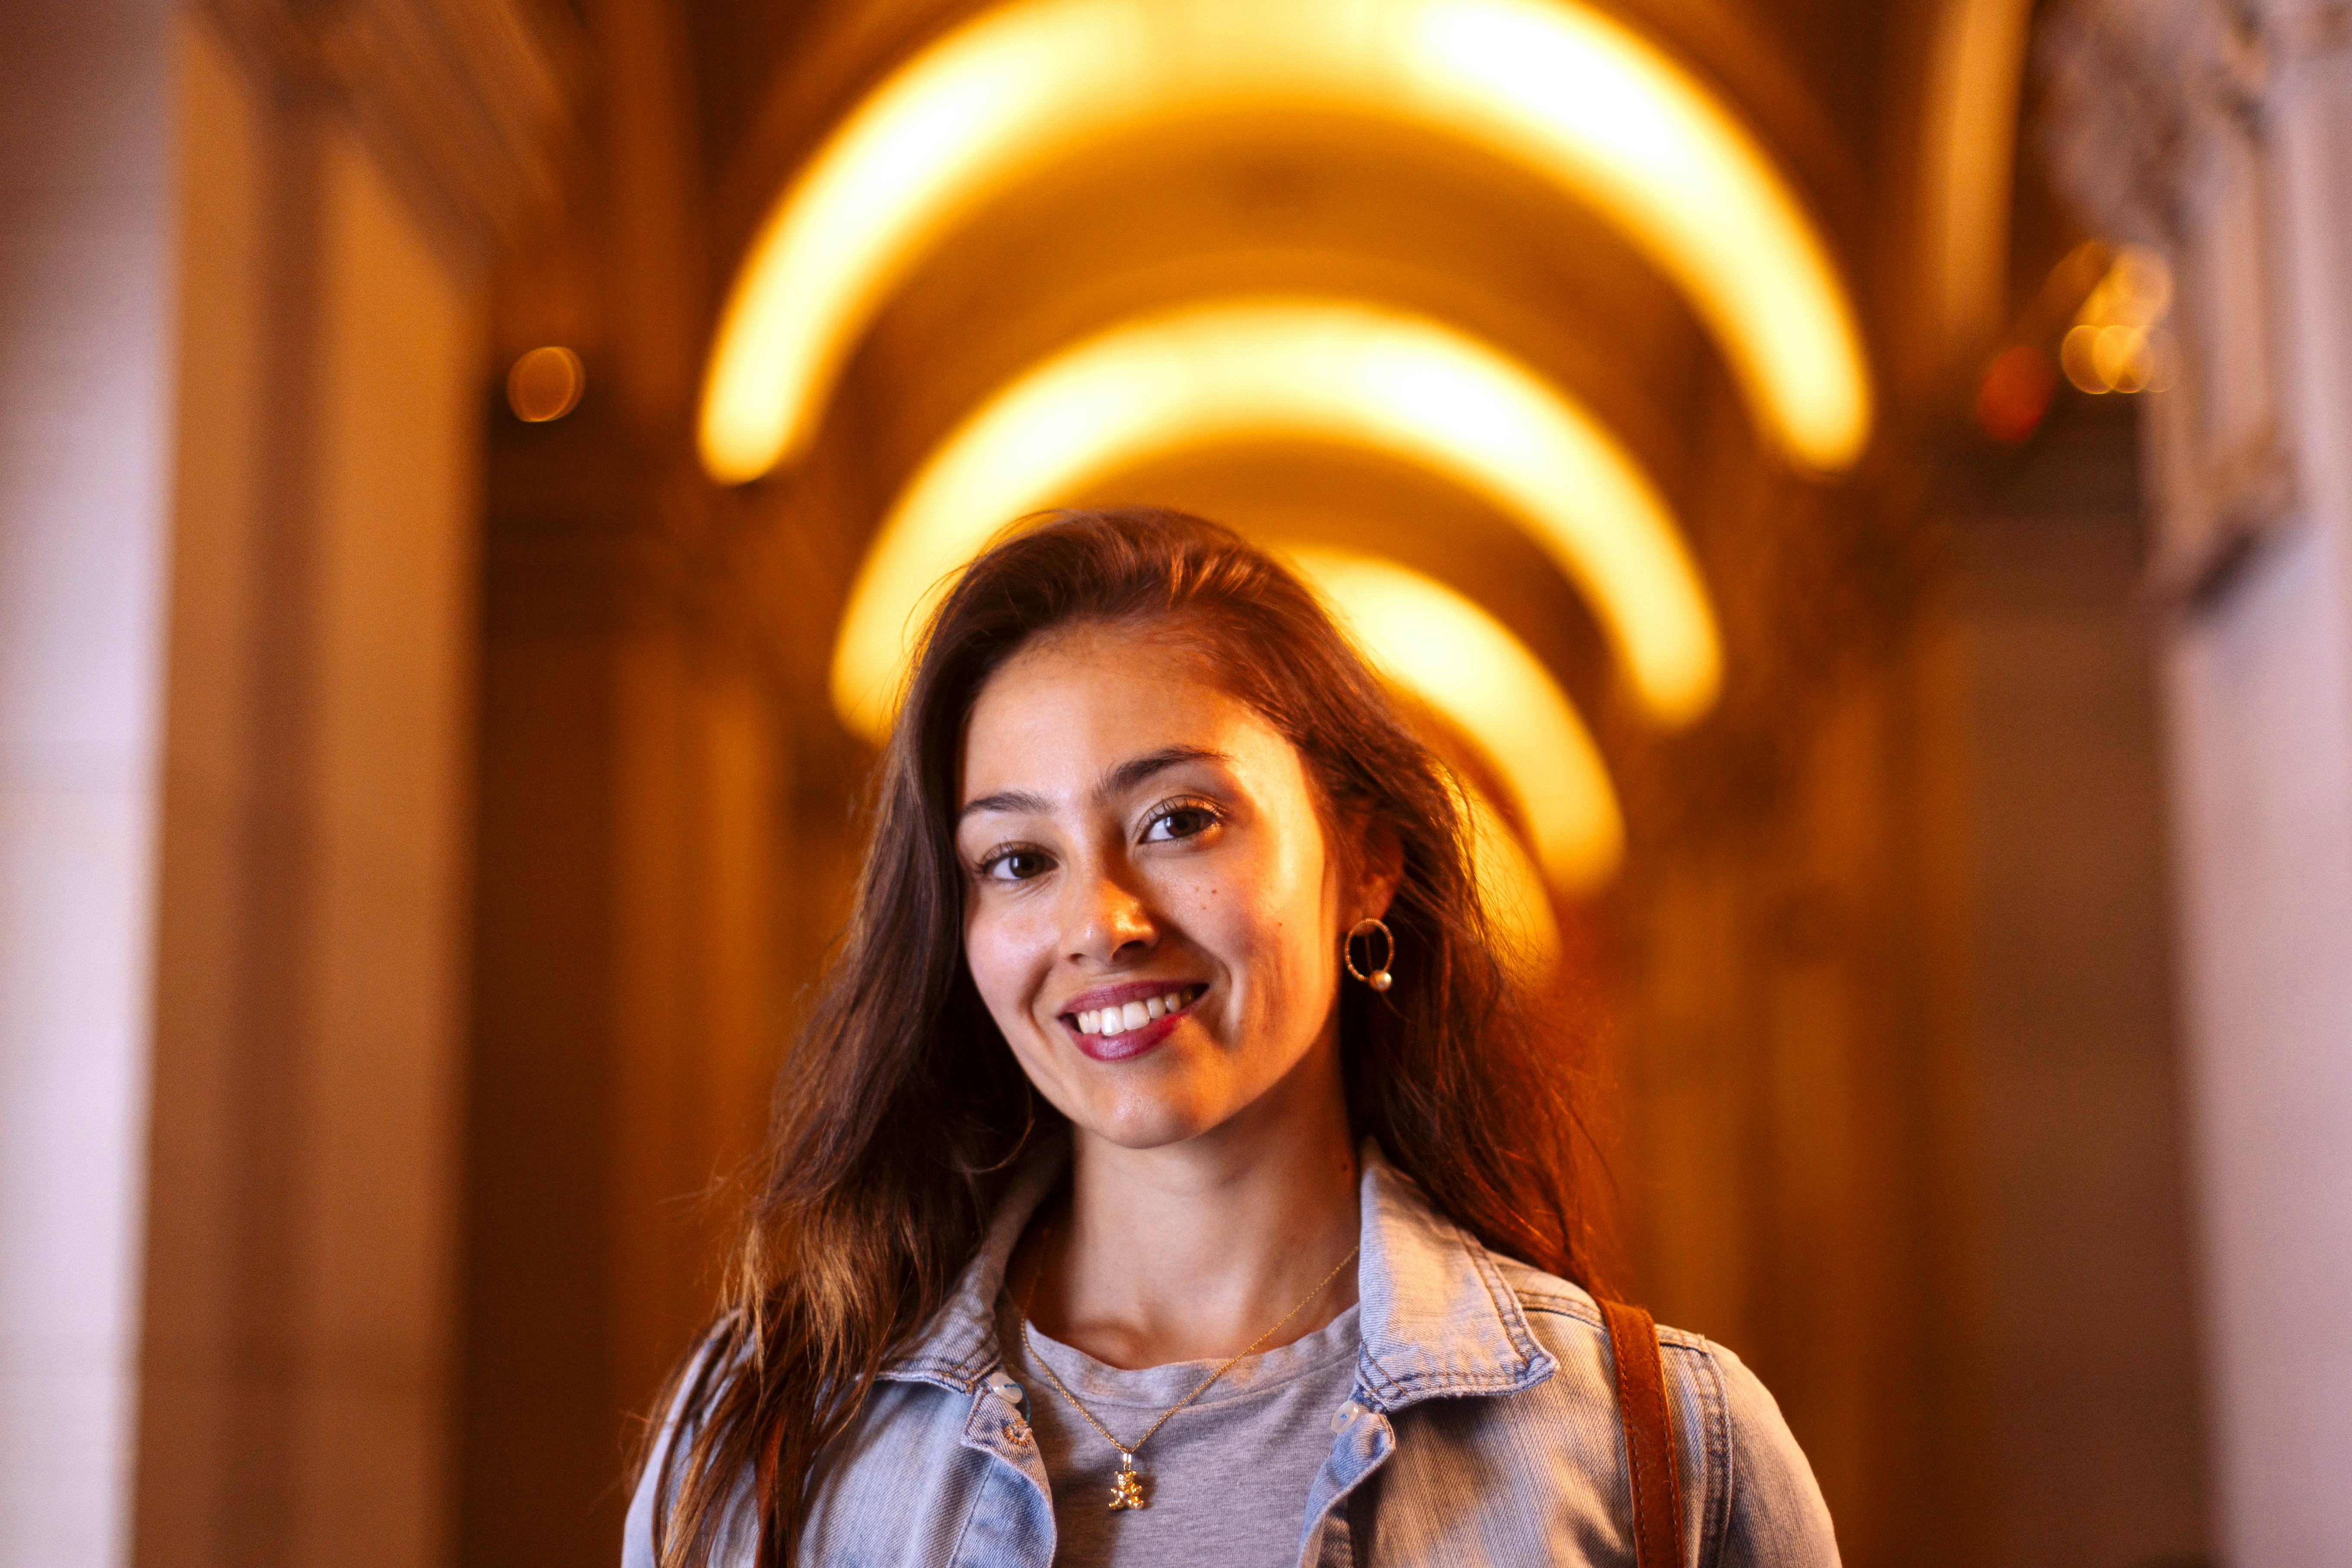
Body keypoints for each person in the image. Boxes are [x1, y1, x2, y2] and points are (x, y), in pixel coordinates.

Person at [624, 507, 1838, 1567]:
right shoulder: (770, 1431)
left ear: (1365, 862)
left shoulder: (1662, 1447)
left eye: (1179, 819)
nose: (1100, 921)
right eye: (1018, 858)